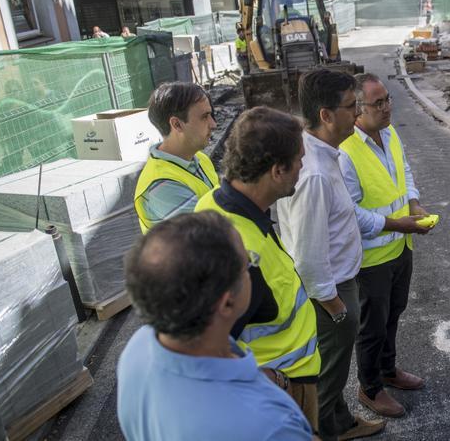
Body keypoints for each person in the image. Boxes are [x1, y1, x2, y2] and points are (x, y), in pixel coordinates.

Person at [116, 211, 313, 441]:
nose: (252, 267)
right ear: (227, 302)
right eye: (249, 262)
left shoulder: (139, 347)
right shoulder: (269, 425)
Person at [194, 107, 321, 432]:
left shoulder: (213, 201)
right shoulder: (242, 261)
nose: (303, 168)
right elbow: (204, 355)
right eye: (299, 161)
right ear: (277, 170)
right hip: (282, 392)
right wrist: (274, 381)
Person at [276, 69, 385, 441]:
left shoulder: (322, 156)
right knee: (327, 376)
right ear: (325, 115)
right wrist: (334, 304)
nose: (358, 114)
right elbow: (307, 252)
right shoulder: (315, 173)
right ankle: (323, 430)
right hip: (330, 292)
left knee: (334, 369)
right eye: (351, 107)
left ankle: (341, 422)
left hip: (338, 284)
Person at [338, 74, 431, 418]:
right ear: (357, 109)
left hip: (401, 247)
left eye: (388, 99)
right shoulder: (346, 151)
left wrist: (415, 203)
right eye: (378, 103)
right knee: (372, 326)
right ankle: (369, 387)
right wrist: (395, 223)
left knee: (393, 313)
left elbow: (403, 172)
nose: (387, 107)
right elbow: (350, 212)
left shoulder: (389, 132)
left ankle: (388, 370)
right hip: (371, 257)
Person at [134, 82, 219, 233]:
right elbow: (209, 238)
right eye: (205, 117)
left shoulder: (199, 158)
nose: (213, 124)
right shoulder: (162, 185)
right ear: (177, 124)